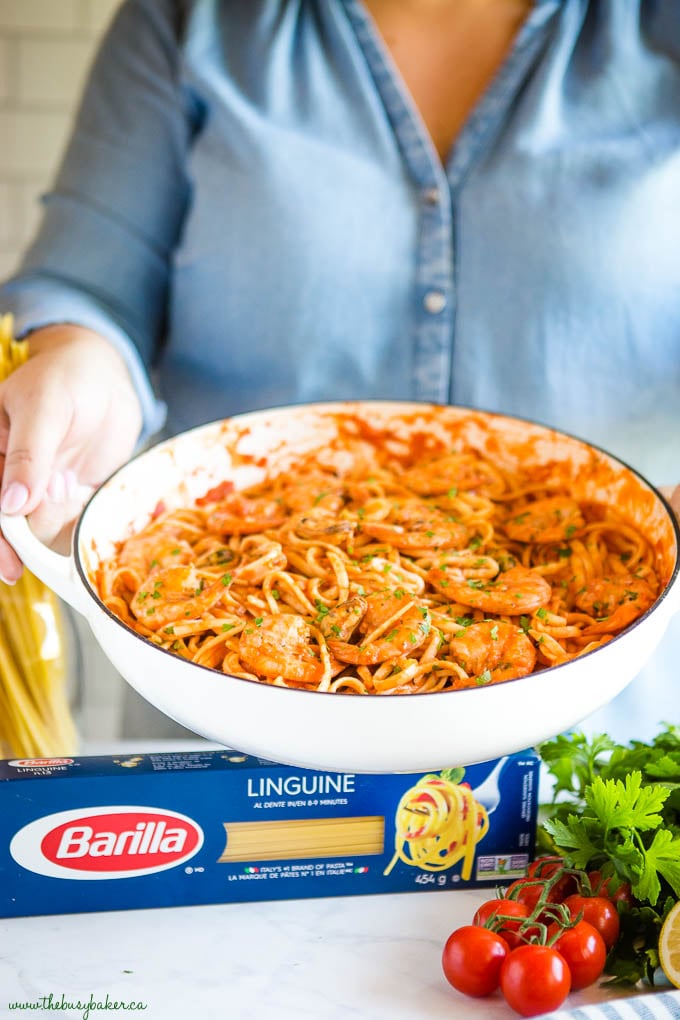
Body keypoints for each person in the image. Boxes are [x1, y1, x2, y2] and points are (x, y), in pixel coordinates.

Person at [0, 0, 678, 741]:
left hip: (596, 722)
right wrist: (76, 368)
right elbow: (91, 282)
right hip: (225, 720)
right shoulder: (187, 19)